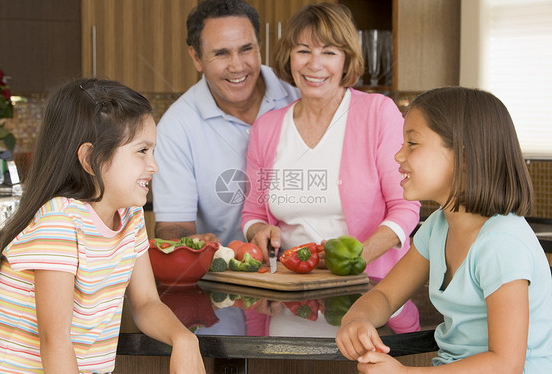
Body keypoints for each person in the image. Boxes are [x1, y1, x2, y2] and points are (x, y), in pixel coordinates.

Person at [0, 79, 205, 373]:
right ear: (91, 159)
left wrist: (184, 339)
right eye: (142, 151)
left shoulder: (130, 216)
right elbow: (55, 343)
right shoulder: (60, 223)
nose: (154, 165)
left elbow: (146, 303)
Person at [336, 87, 552, 373]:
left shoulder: (502, 243)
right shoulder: (437, 227)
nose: (399, 156)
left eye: (412, 143)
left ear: (462, 155)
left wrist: (403, 373)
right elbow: (385, 297)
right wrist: (356, 321)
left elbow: (506, 364)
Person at [240, 3, 420, 278]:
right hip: (289, 288)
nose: (314, 64)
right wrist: (258, 231)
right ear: (288, 57)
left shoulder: (378, 113)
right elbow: (253, 213)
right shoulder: (266, 128)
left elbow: (405, 207)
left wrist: (354, 260)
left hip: (368, 288)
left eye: (329, 52)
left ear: (346, 59)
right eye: (303, 51)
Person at [153, 0, 299, 246]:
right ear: (196, 58)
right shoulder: (176, 128)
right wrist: (192, 242)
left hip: (309, 269)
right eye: (221, 53)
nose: (237, 66)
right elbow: (173, 225)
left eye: (246, 49)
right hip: (226, 275)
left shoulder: (297, 93)